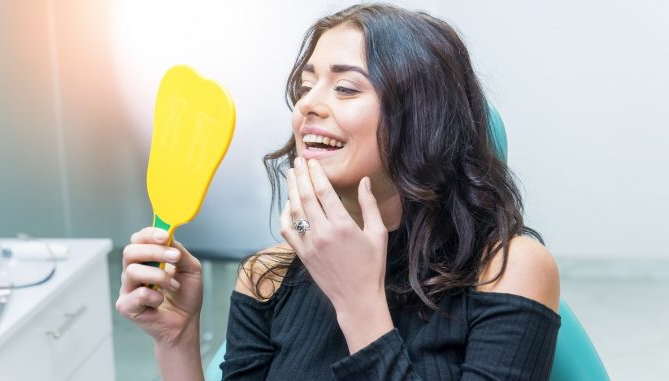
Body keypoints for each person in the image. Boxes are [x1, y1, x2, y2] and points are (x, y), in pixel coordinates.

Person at [116, 3, 561, 380]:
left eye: (346, 87)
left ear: (424, 119)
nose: (307, 103)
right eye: (306, 86)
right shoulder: (266, 276)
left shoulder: (506, 268)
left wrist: (358, 303)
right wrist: (176, 342)